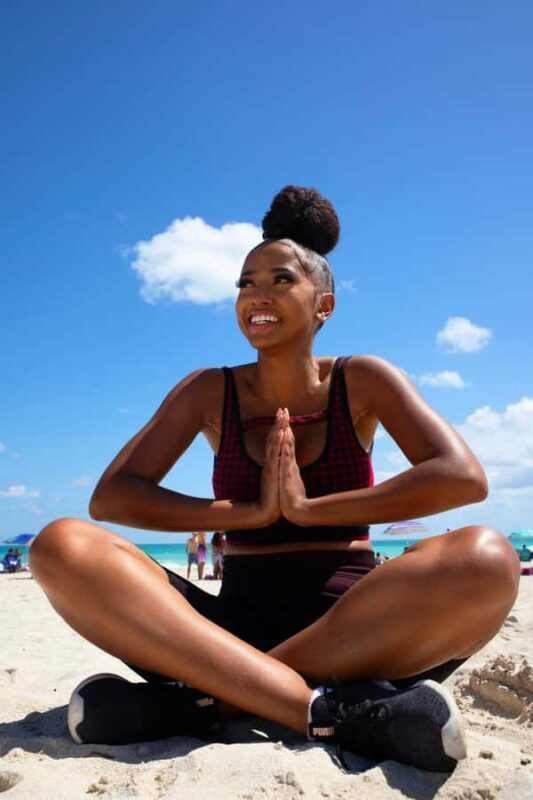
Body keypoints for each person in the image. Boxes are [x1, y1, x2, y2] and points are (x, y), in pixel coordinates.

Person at [29, 185, 520, 772]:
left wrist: (311, 511)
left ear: (324, 305)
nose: (256, 295)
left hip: (359, 629)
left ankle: (211, 702)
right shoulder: (210, 390)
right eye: (245, 283)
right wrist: (249, 514)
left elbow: (462, 478)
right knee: (60, 545)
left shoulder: (361, 380)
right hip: (225, 630)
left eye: (280, 280)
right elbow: (112, 497)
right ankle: (330, 709)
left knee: (489, 558)